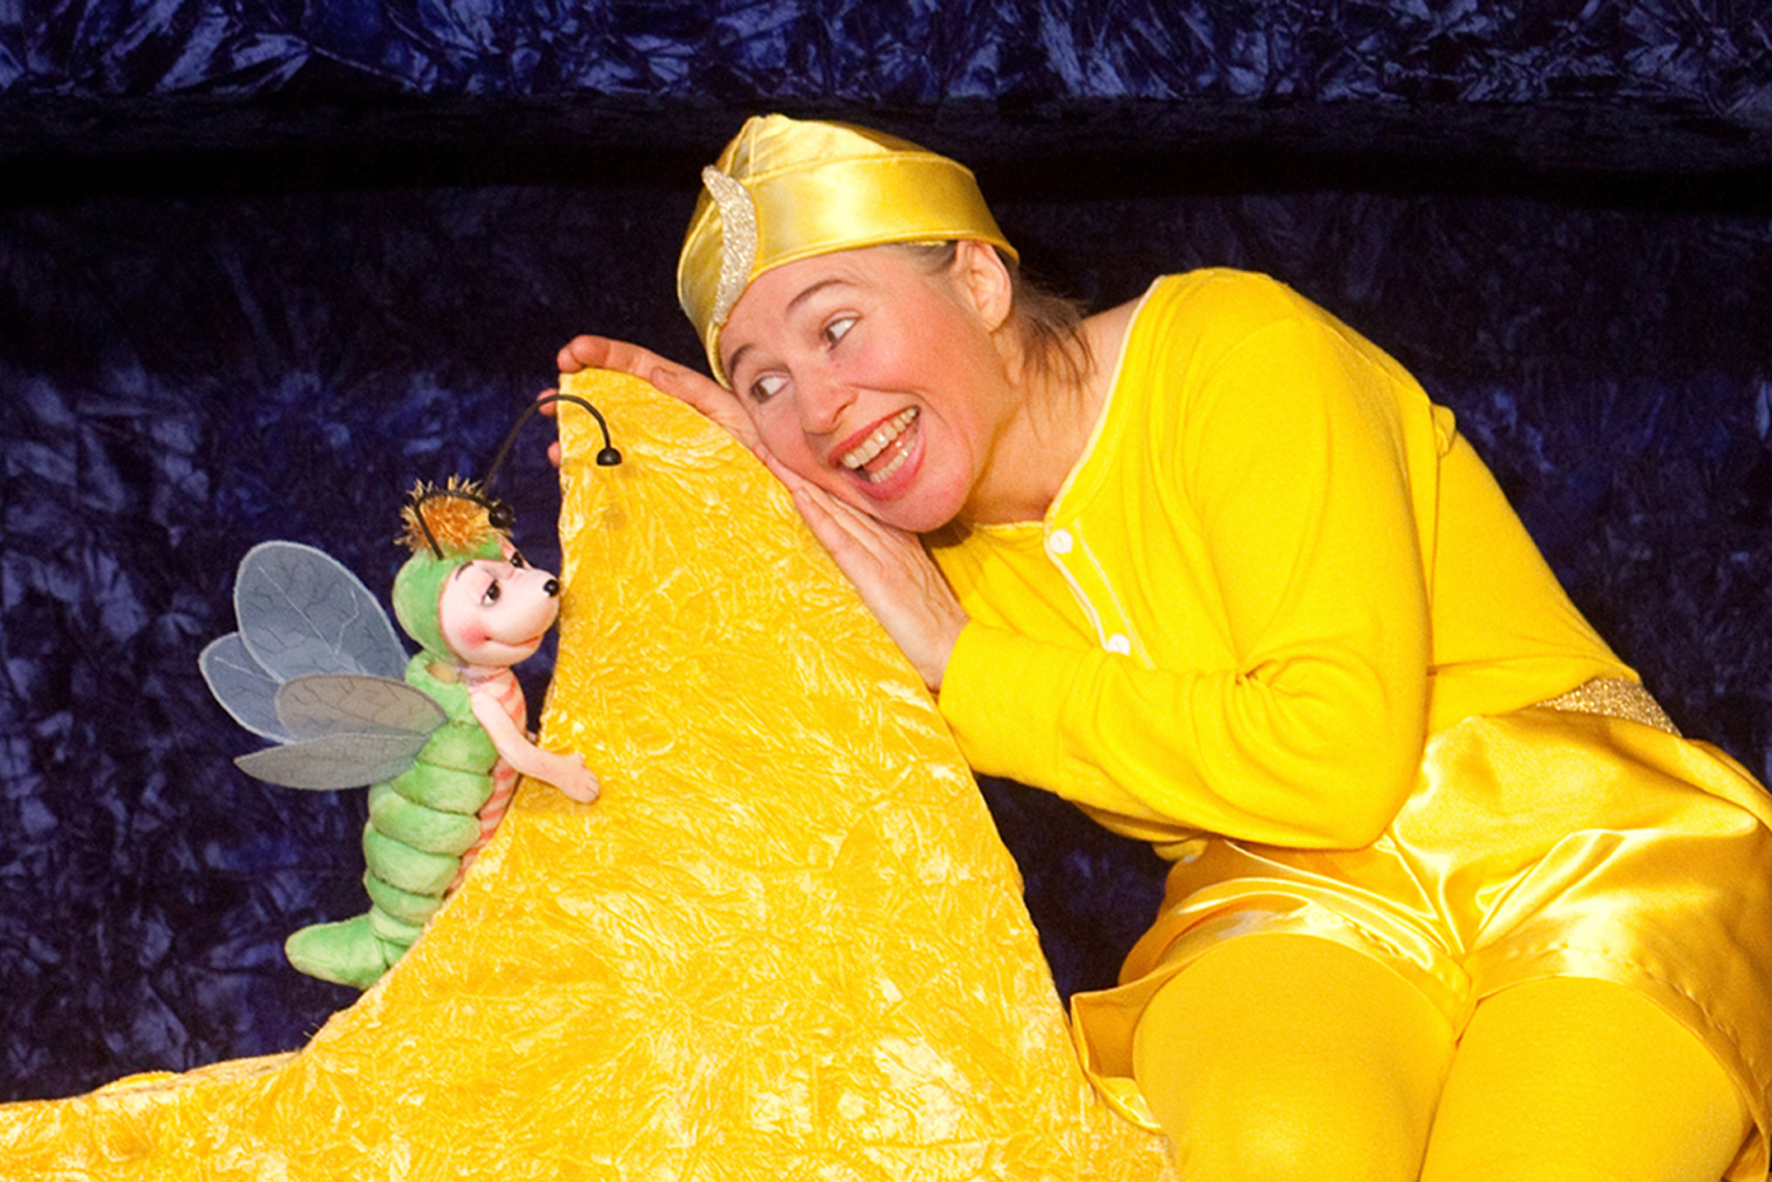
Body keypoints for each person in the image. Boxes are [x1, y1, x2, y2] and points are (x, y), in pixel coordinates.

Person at [557, 114, 1772, 1181]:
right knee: (1281, 1148)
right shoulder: (894, 567)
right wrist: (521, 758)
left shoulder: (1233, 343)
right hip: (1285, 901)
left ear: (977, 280)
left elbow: (1333, 760)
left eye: (836, 328)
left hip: (1589, 847)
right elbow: (721, 792)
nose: (818, 409)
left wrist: (963, 662)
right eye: (764, 385)